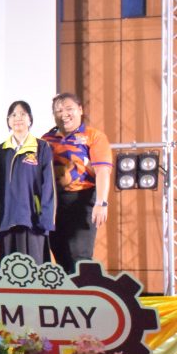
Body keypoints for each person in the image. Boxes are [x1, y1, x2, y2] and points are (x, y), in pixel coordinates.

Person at [41, 92, 112, 272]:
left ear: (80, 109)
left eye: (69, 109)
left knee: (80, 257)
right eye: (58, 111)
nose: (64, 114)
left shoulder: (93, 136)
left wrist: (101, 202)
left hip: (82, 199)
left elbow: (103, 171)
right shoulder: (46, 139)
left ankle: (85, 289)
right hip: (54, 203)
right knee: (60, 254)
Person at [0, 100, 56, 263]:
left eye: (23, 114)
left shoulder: (42, 147)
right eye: (13, 115)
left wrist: (45, 219)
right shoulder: (0, 151)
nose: (18, 118)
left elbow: (48, 185)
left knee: (35, 270)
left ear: (30, 119)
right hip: (7, 220)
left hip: (33, 221)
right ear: (8, 121)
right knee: (8, 270)